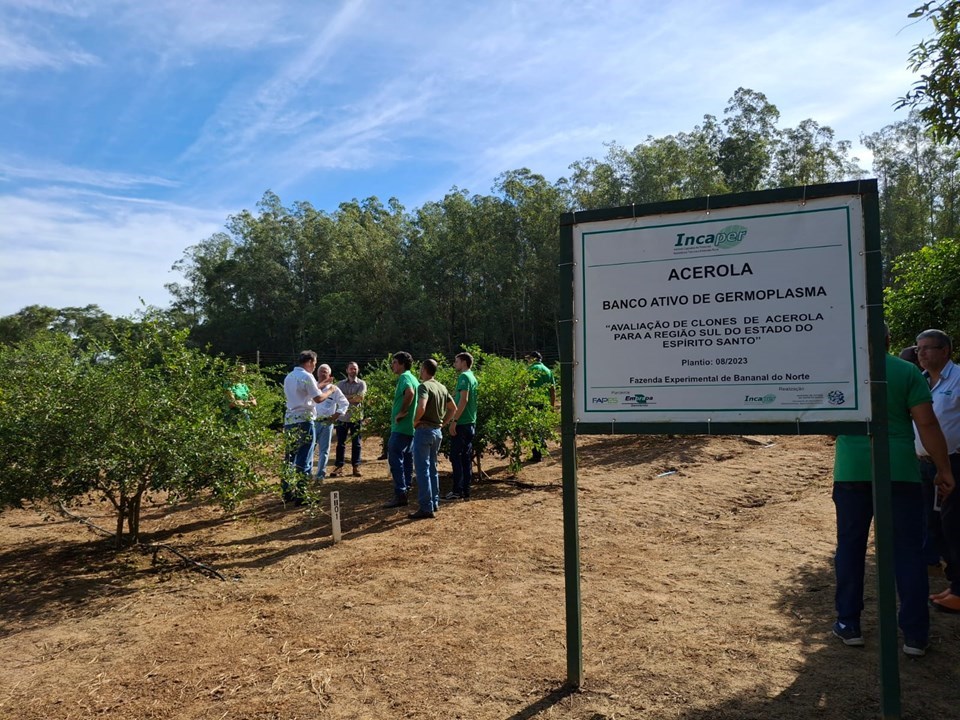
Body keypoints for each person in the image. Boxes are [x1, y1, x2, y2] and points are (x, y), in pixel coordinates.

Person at [832, 327, 954, 657]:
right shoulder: (907, 372)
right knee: (908, 551)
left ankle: (848, 623)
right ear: (888, 342)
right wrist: (944, 469)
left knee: (851, 546)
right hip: (899, 470)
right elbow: (927, 424)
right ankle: (915, 635)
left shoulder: (842, 370)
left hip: (852, 470)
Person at [913, 329, 960, 613]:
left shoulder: (958, 379)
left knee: (955, 526)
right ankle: (955, 584)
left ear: (945, 351)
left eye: (927, 348)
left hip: (954, 464)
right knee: (936, 526)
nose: (921, 354)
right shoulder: (920, 381)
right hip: (924, 465)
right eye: (918, 349)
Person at [283, 351, 337, 504]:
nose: (315, 366)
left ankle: (287, 491)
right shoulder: (307, 376)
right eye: (314, 363)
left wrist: (321, 385)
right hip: (304, 420)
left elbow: (305, 392)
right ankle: (302, 494)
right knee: (304, 458)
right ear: (309, 362)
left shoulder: (289, 377)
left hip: (290, 420)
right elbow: (318, 398)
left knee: (289, 457)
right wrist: (330, 390)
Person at [411, 359, 457, 519]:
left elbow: (421, 406)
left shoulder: (424, 386)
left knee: (422, 470)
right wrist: (443, 423)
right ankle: (434, 502)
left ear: (424, 369)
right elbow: (453, 408)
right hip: (437, 432)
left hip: (423, 431)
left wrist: (415, 421)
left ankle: (426, 507)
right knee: (432, 468)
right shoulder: (441, 387)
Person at [385, 352, 419, 508]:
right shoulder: (413, 377)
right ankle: (406, 490)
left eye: (394, 362)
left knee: (395, 459)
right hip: (410, 427)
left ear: (401, 364)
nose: (392, 365)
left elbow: (410, 392)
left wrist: (403, 411)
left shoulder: (405, 377)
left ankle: (400, 493)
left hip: (401, 427)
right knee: (407, 459)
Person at [446, 351, 478, 501]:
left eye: (456, 361)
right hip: (470, 422)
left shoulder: (464, 377)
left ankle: (457, 491)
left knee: (456, 457)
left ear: (464, 362)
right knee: (465, 457)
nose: (455, 364)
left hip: (463, 423)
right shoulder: (472, 376)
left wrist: (454, 421)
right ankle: (466, 490)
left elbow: (463, 400)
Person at [313, 363, 349, 482]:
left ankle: (320, 475)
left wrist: (337, 414)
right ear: (317, 373)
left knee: (324, 450)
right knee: (310, 448)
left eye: (325, 372)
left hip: (327, 422)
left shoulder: (333, 389)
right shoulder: (313, 386)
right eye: (321, 371)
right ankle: (307, 474)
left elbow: (344, 403)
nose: (323, 373)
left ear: (329, 374)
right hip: (313, 422)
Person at [331, 361, 367, 478]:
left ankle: (356, 466)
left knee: (356, 443)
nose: (353, 370)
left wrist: (345, 397)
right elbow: (337, 398)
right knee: (340, 444)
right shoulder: (340, 384)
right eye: (351, 369)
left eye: (355, 369)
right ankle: (339, 466)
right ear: (347, 370)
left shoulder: (362, 384)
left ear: (358, 370)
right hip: (342, 417)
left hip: (356, 418)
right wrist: (351, 397)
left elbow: (360, 398)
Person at [525, 351, 556, 463]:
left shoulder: (529, 370)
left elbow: (523, 387)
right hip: (545, 403)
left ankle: (537, 455)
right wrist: (552, 406)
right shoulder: (548, 371)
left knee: (533, 429)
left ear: (533, 359)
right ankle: (542, 447)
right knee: (541, 427)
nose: (528, 361)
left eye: (529, 359)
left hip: (532, 404)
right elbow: (553, 391)